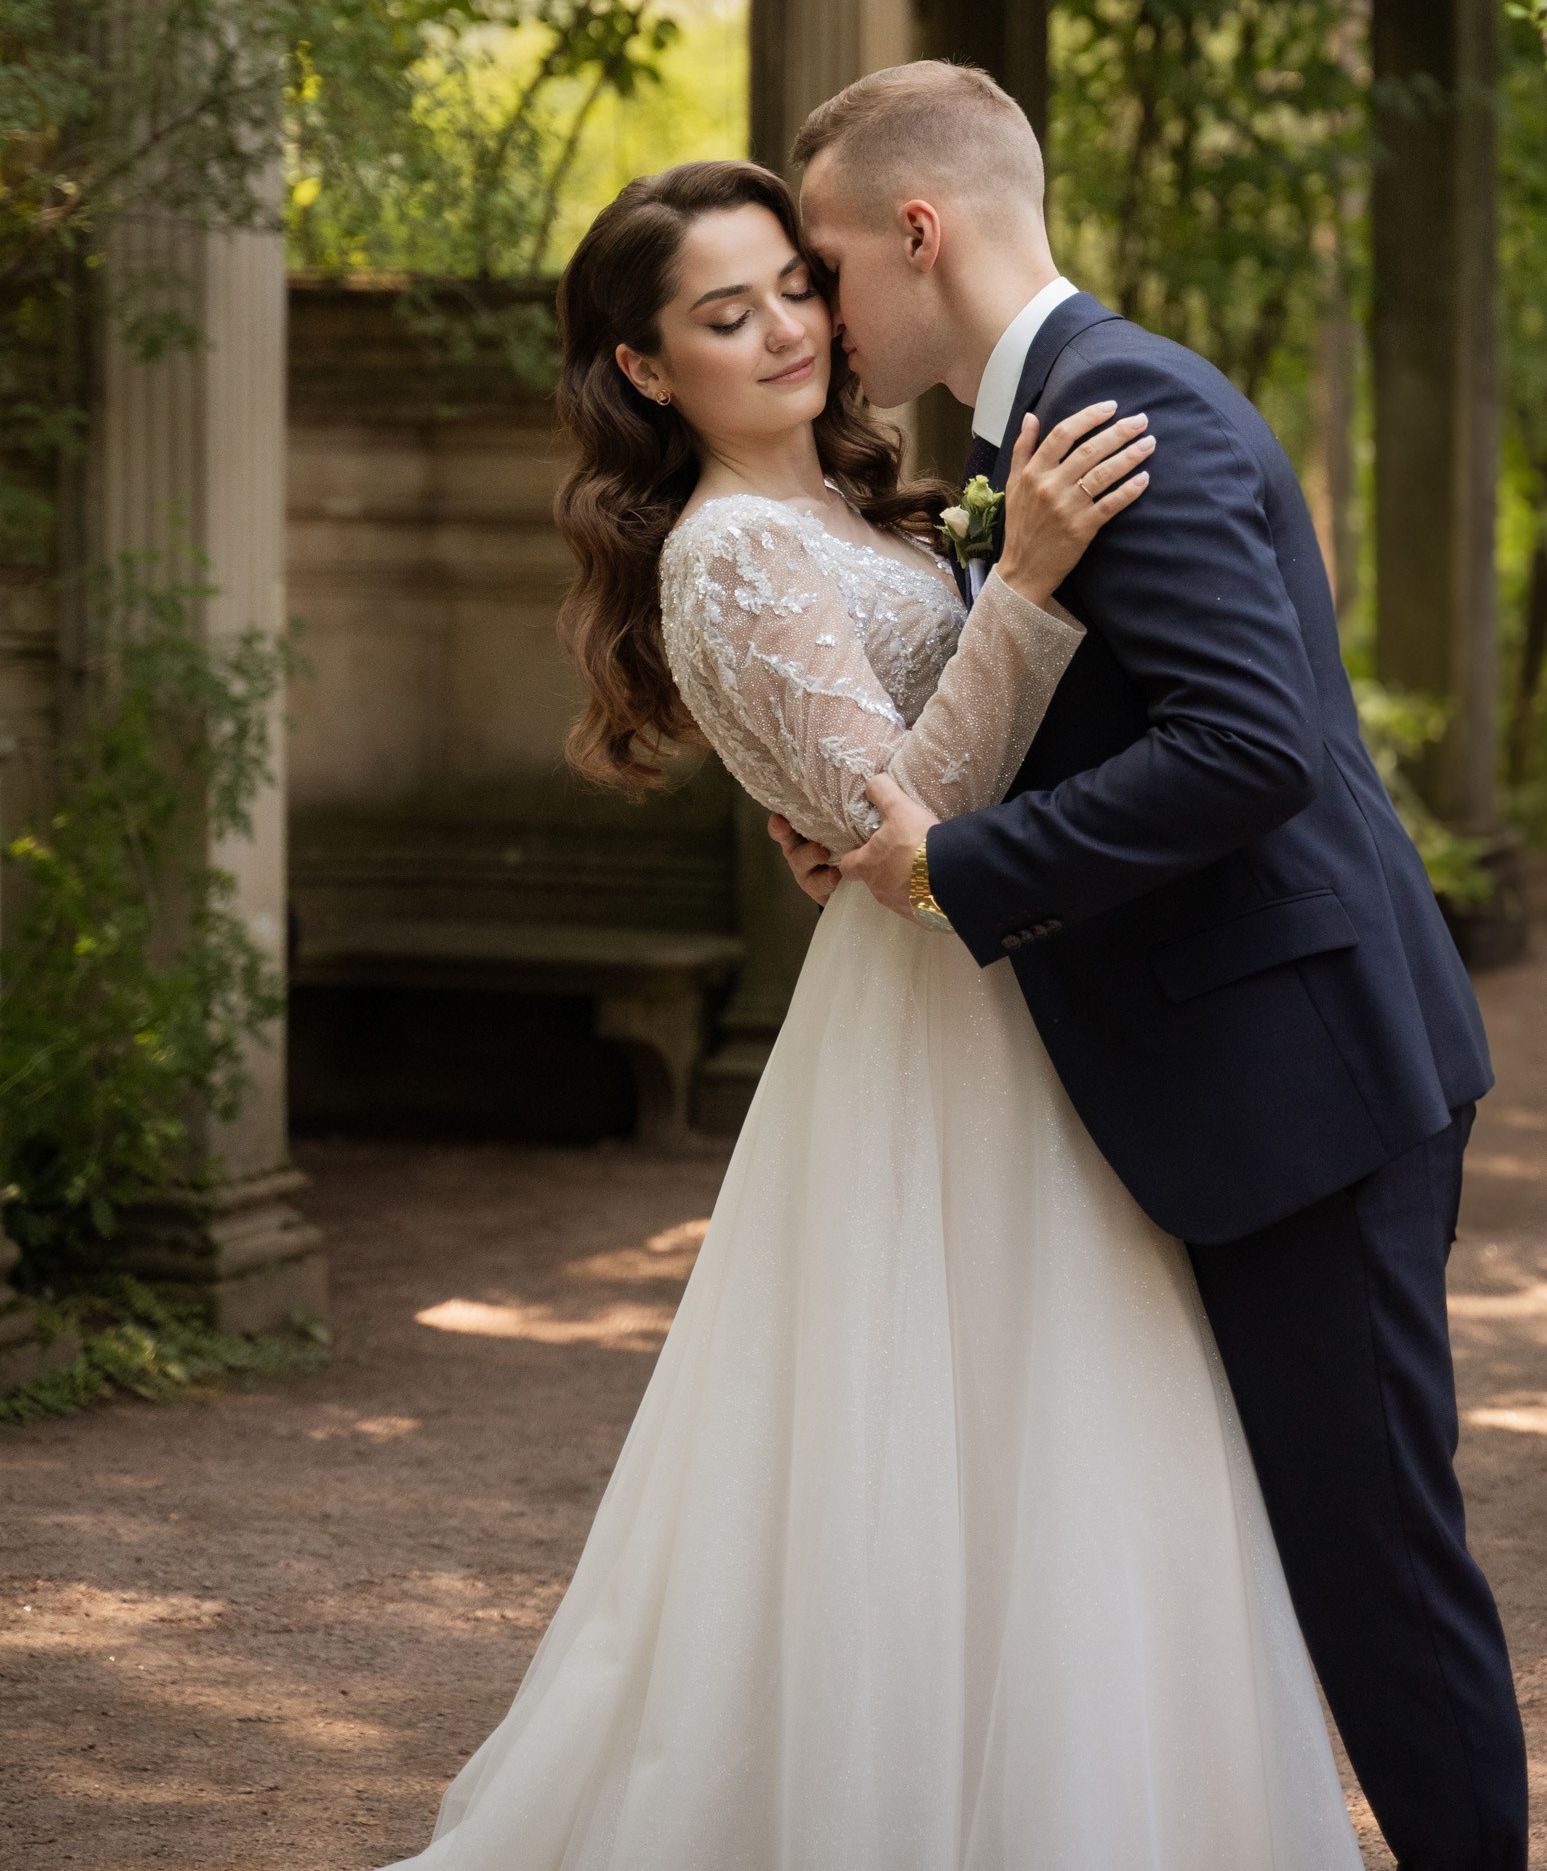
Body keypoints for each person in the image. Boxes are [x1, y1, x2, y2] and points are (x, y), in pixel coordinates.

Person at [382, 154, 1362, 1871]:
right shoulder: (730, 554)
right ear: (642, 366)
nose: (783, 330)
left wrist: (976, 643)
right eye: (721, 311)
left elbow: (890, 814)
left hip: (1008, 991)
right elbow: (915, 816)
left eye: (790, 286)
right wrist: (1037, 583)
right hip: (931, 1027)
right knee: (947, 1417)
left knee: (1079, 1416)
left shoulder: (870, 501)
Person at [778, 61, 1529, 1871]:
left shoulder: (1121, 405)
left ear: (917, 229)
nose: (818, 312)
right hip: (1253, 1070)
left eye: (825, 265)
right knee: (1293, 1548)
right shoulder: (1047, 423)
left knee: (1375, 1567)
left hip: (1305, 1082)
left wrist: (952, 867)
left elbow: (1248, 745)